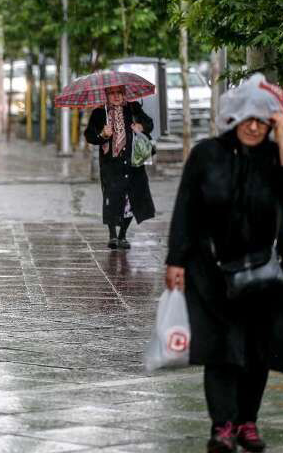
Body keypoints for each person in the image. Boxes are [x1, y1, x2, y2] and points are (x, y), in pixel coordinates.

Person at [165, 74, 283, 453]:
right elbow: (186, 209)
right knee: (222, 350)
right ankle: (223, 426)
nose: (253, 126)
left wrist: (282, 132)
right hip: (211, 271)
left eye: (262, 119)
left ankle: (248, 421)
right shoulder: (206, 154)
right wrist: (175, 260)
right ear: (232, 118)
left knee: (257, 351)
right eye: (247, 118)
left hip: (265, 272)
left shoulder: (274, 157)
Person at [83, 85, 155, 249]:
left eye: (120, 93)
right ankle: (112, 236)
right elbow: (89, 135)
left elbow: (149, 123)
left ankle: (123, 235)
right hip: (111, 164)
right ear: (106, 96)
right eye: (112, 94)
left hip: (133, 162)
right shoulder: (100, 113)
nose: (116, 97)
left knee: (132, 199)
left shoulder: (133, 108)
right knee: (111, 198)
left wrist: (141, 127)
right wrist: (103, 135)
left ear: (124, 95)